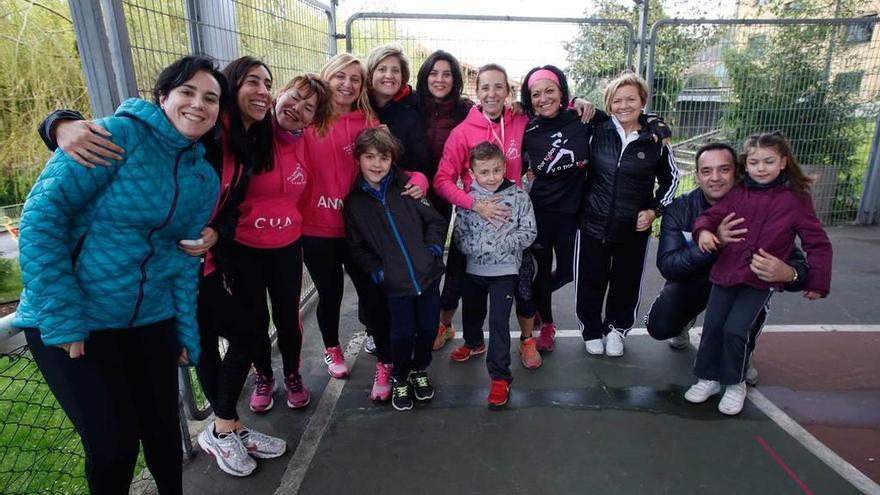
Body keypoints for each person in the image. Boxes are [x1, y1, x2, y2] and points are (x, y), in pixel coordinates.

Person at [16, 55, 225, 494]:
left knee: (164, 434)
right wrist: (64, 316)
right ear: (163, 97)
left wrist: (186, 333)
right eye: (187, 92)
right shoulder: (116, 134)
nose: (198, 105)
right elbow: (40, 219)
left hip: (150, 319)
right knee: (113, 446)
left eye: (211, 98)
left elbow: (185, 258)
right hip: (76, 322)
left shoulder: (202, 175)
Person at [299, 53, 428, 389]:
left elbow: (387, 165)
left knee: (374, 294)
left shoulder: (368, 122)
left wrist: (420, 178)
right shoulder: (307, 120)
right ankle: (332, 347)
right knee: (329, 294)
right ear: (326, 77)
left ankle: (385, 360)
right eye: (340, 76)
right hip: (317, 228)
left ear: (362, 86)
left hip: (362, 229)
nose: (347, 84)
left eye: (355, 79)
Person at [687, 131, 832, 415]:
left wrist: (817, 281)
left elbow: (817, 242)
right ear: (746, 163)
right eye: (754, 162)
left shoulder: (795, 199)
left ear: (783, 162)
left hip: (758, 279)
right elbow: (711, 216)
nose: (761, 168)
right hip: (725, 273)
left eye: (768, 161)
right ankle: (708, 378)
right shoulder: (738, 192)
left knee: (736, 330)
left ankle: (735, 382)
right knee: (713, 328)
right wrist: (703, 231)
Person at [644, 142, 809, 384]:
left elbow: (799, 266)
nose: (715, 178)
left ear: (738, 173)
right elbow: (668, 265)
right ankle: (684, 321)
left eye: (724, 169)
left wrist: (791, 274)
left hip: (741, 287)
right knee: (659, 327)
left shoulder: (763, 207)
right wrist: (713, 244)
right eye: (707, 171)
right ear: (698, 176)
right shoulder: (680, 209)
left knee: (754, 298)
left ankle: (743, 351)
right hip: (695, 281)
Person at [233, 73, 332, 421]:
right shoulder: (250, 131)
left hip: (286, 245)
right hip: (244, 246)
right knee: (254, 317)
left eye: (309, 108)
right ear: (280, 94)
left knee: (287, 317)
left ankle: (292, 374)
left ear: (313, 120)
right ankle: (264, 375)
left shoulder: (306, 143)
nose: (297, 109)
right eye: (294, 97)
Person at [575, 71, 679, 358]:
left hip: (633, 228)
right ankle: (592, 330)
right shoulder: (598, 129)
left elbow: (672, 179)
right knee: (590, 280)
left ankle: (617, 330)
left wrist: (654, 211)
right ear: (608, 104)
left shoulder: (655, 138)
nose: (624, 106)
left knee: (626, 281)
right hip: (593, 223)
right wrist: (578, 99)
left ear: (642, 101)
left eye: (631, 99)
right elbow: (567, 107)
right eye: (617, 100)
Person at [344, 127, 447, 410]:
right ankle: (400, 377)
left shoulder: (408, 187)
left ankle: (419, 371)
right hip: (394, 285)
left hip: (426, 278)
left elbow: (435, 222)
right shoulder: (354, 203)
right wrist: (379, 272)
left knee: (427, 330)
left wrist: (433, 251)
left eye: (384, 157)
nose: (377, 164)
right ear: (359, 159)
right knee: (400, 334)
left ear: (393, 160)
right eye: (370, 157)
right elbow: (356, 247)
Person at [360, 43, 432, 355]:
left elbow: (419, 158)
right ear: (371, 72)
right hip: (361, 202)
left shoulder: (409, 111)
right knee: (369, 272)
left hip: (397, 199)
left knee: (399, 269)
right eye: (382, 69)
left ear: (403, 77)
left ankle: (406, 334)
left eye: (396, 70)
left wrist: (418, 176)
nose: (389, 75)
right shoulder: (356, 106)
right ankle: (374, 330)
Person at [453, 142, 537, 407]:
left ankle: (500, 378)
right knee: (472, 311)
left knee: (499, 323)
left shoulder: (519, 196)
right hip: (474, 269)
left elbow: (529, 232)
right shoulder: (467, 201)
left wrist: (501, 245)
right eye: (484, 172)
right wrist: (481, 248)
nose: (491, 177)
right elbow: (460, 238)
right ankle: (473, 342)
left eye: (496, 170)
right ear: (473, 173)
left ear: (504, 168)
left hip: (505, 271)